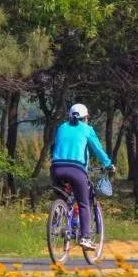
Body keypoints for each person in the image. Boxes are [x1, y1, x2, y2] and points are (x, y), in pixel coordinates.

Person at [50, 103, 115, 250]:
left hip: (56, 168)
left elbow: (55, 146)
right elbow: (98, 150)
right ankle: (85, 237)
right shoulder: (87, 129)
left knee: (65, 198)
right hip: (76, 170)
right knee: (84, 202)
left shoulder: (61, 127)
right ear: (86, 118)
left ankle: (56, 223)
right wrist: (109, 165)